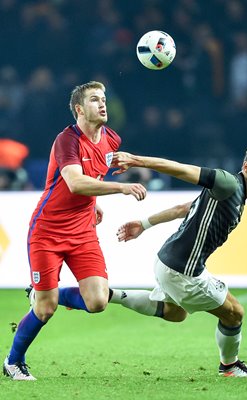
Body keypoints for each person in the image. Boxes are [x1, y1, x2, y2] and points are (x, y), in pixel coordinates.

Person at [3, 81, 146, 381]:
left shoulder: (112, 139)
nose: (103, 104)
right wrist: (120, 187)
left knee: (97, 302)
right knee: (45, 310)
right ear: (80, 109)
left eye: (104, 98)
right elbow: (75, 182)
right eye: (95, 100)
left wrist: (93, 203)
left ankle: (44, 293)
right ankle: (13, 361)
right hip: (47, 231)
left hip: (83, 231)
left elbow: (93, 173)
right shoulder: (67, 140)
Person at [110, 143, 247, 377]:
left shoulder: (236, 196)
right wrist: (136, 160)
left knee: (175, 312)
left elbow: (184, 207)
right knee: (235, 313)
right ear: (246, 167)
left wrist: (143, 224)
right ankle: (230, 366)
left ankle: (108, 294)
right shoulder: (228, 183)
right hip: (182, 270)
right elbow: (180, 169)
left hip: (168, 262)